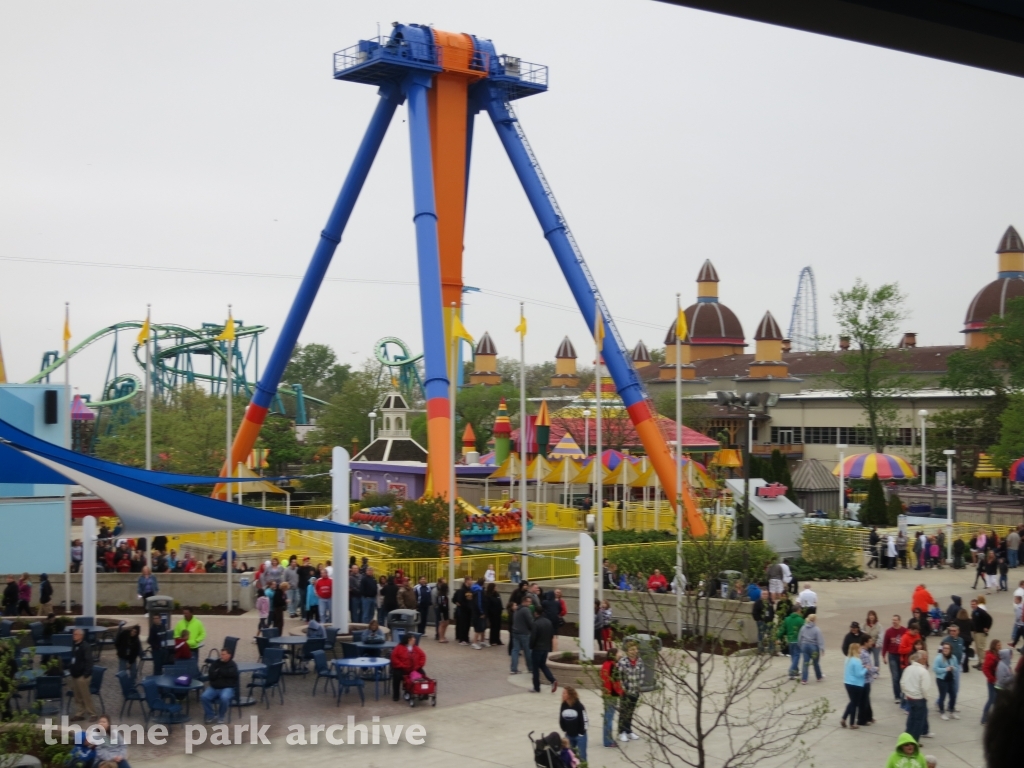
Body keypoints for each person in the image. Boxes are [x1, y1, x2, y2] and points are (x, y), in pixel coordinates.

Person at [900, 650, 932, 741]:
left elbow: (902, 682)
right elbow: (925, 688)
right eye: (926, 657)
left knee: (911, 718)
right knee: (918, 721)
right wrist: (925, 698)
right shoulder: (923, 671)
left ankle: (907, 737)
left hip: (910, 698)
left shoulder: (908, 668)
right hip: (919, 699)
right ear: (923, 658)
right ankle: (914, 741)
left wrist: (907, 694)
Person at [201, 648, 238, 724]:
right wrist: (219, 673)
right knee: (204, 697)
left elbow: (231, 676)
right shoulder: (216, 663)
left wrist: (219, 672)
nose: (222, 656)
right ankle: (211, 715)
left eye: (224, 654)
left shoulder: (232, 665)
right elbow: (211, 674)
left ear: (229, 655)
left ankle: (221, 716)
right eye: (221, 654)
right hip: (214, 687)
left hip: (227, 688)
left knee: (224, 698)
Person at [617, 642, 644, 742]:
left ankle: (628, 731)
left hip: (635, 691)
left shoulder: (640, 661)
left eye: (635, 649)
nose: (634, 651)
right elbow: (620, 677)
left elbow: (642, 674)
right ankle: (621, 732)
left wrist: (638, 687)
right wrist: (624, 688)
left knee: (631, 712)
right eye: (632, 649)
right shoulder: (623, 662)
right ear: (627, 651)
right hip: (626, 691)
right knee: (624, 712)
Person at [68, 628, 96, 721]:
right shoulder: (74, 645)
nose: (73, 636)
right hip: (75, 674)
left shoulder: (85, 646)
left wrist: (86, 674)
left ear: (81, 636)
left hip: (82, 676)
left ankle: (92, 714)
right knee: (77, 696)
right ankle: (80, 713)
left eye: (75, 634)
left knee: (85, 696)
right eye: (73, 634)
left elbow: (89, 661)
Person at [389, 632, 426, 702]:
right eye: (413, 639)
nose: (415, 640)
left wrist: (418, 666)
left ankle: (423, 693)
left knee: (423, 674)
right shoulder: (398, 648)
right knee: (396, 676)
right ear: (408, 640)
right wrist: (402, 666)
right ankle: (396, 695)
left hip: (414, 668)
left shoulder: (416, 648)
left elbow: (422, 656)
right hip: (401, 668)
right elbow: (394, 658)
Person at [529, 609, 558, 694]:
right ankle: (553, 680)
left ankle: (536, 687)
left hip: (537, 649)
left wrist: (531, 646)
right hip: (545, 648)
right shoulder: (548, 622)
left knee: (535, 668)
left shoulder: (536, 623)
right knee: (543, 665)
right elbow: (551, 635)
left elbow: (533, 637)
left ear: (536, 613)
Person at [840, 642, 866, 728]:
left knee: (852, 702)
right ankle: (851, 723)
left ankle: (844, 718)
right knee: (854, 703)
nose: (861, 650)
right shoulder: (857, 660)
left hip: (847, 682)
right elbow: (859, 674)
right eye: (859, 649)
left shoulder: (847, 659)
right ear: (856, 650)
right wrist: (866, 668)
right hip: (856, 684)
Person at [600, 647, 622, 748]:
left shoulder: (605, 664)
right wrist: (621, 692)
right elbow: (616, 683)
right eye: (618, 653)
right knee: (609, 718)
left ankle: (606, 739)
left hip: (606, 694)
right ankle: (608, 741)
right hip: (612, 695)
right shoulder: (613, 666)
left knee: (606, 717)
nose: (620, 655)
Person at [559, 686, 588, 762]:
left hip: (580, 736)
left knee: (582, 757)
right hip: (569, 735)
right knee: (570, 757)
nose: (562, 695)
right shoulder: (563, 705)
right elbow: (561, 718)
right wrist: (564, 729)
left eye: (564, 693)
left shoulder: (579, 706)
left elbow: (585, 720)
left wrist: (581, 732)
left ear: (569, 695)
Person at [883, 614, 908, 703]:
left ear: (899, 621)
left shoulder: (905, 631)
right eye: (893, 620)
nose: (894, 621)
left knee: (902, 676)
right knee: (895, 677)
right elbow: (885, 644)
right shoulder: (888, 631)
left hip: (902, 656)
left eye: (895, 620)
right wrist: (883, 656)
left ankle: (902, 694)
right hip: (892, 656)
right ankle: (897, 696)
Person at [933, 641, 960, 720]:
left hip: (951, 679)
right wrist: (945, 669)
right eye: (944, 648)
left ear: (950, 649)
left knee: (953, 695)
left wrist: (952, 668)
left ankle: (952, 711)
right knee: (942, 696)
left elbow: (956, 667)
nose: (945, 650)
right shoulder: (939, 658)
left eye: (947, 648)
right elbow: (935, 669)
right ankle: (942, 712)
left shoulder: (953, 657)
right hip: (942, 680)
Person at [779, 605, 805, 678]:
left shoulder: (787, 619)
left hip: (790, 640)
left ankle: (795, 671)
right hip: (797, 640)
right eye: (800, 610)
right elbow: (804, 630)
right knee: (797, 656)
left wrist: (777, 637)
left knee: (793, 656)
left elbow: (782, 629)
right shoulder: (800, 619)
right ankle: (791, 671)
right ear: (798, 610)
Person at [798, 613, 825, 684]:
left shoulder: (803, 627)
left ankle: (804, 679)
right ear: (815, 620)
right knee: (816, 662)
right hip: (813, 647)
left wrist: (799, 645)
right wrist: (822, 649)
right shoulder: (816, 629)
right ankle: (819, 676)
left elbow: (800, 637)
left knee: (805, 662)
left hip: (804, 646)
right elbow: (820, 640)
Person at [857, 637, 878, 725]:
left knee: (866, 699)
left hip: (865, 680)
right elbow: (867, 667)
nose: (871, 643)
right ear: (865, 642)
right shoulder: (864, 654)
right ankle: (862, 720)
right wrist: (876, 669)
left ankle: (869, 716)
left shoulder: (864, 652)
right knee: (864, 701)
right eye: (870, 641)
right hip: (865, 680)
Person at [511, 595, 534, 674]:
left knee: (515, 650)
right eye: (529, 602)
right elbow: (530, 622)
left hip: (515, 632)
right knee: (527, 651)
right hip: (524, 633)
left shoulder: (517, 609)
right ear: (524, 601)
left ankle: (513, 669)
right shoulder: (526, 610)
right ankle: (530, 668)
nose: (530, 604)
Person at [981, 638, 1001, 725]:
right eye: (998, 645)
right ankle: (984, 719)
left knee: (996, 700)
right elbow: (985, 669)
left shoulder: (998, 655)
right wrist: (992, 679)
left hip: (998, 682)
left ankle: (993, 717)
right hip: (992, 682)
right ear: (994, 646)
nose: (1000, 647)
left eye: (1000, 645)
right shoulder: (990, 656)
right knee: (991, 699)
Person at [485, 583, 504, 647]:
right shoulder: (488, 595)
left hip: (498, 613)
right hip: (492, 614)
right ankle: (492, 640)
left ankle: (497, 639)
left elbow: (499, 602)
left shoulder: (497, 594)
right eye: (495, 587)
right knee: (493, 627)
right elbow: (488, 605)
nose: (496, 588)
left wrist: (501, 608)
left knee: (498, 627)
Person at [433, 578, 450, 643]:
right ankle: (441, 637)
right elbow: (441, 605)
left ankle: (443, 636)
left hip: (445, 611)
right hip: (442, 611)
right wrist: (443, 611)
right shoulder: (441, 596)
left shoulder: (444, 596)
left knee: (446, 623)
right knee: (442, 624)